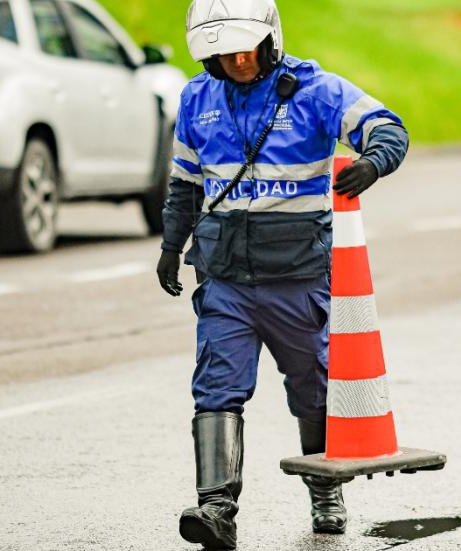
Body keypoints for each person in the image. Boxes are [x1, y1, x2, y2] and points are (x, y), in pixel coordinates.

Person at [155, 0, 409, 548]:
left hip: (298, 277)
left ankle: (325, 492)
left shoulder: (317, 90)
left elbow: (387, 127)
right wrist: (171, 246)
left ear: (269, 40)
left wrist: (373, 160)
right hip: (225, 279)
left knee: (313, 390)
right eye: (223, 54)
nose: (237, 61)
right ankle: (216, 509)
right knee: (217, 386)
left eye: (245, 50)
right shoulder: (197, 98)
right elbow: (184, 184)